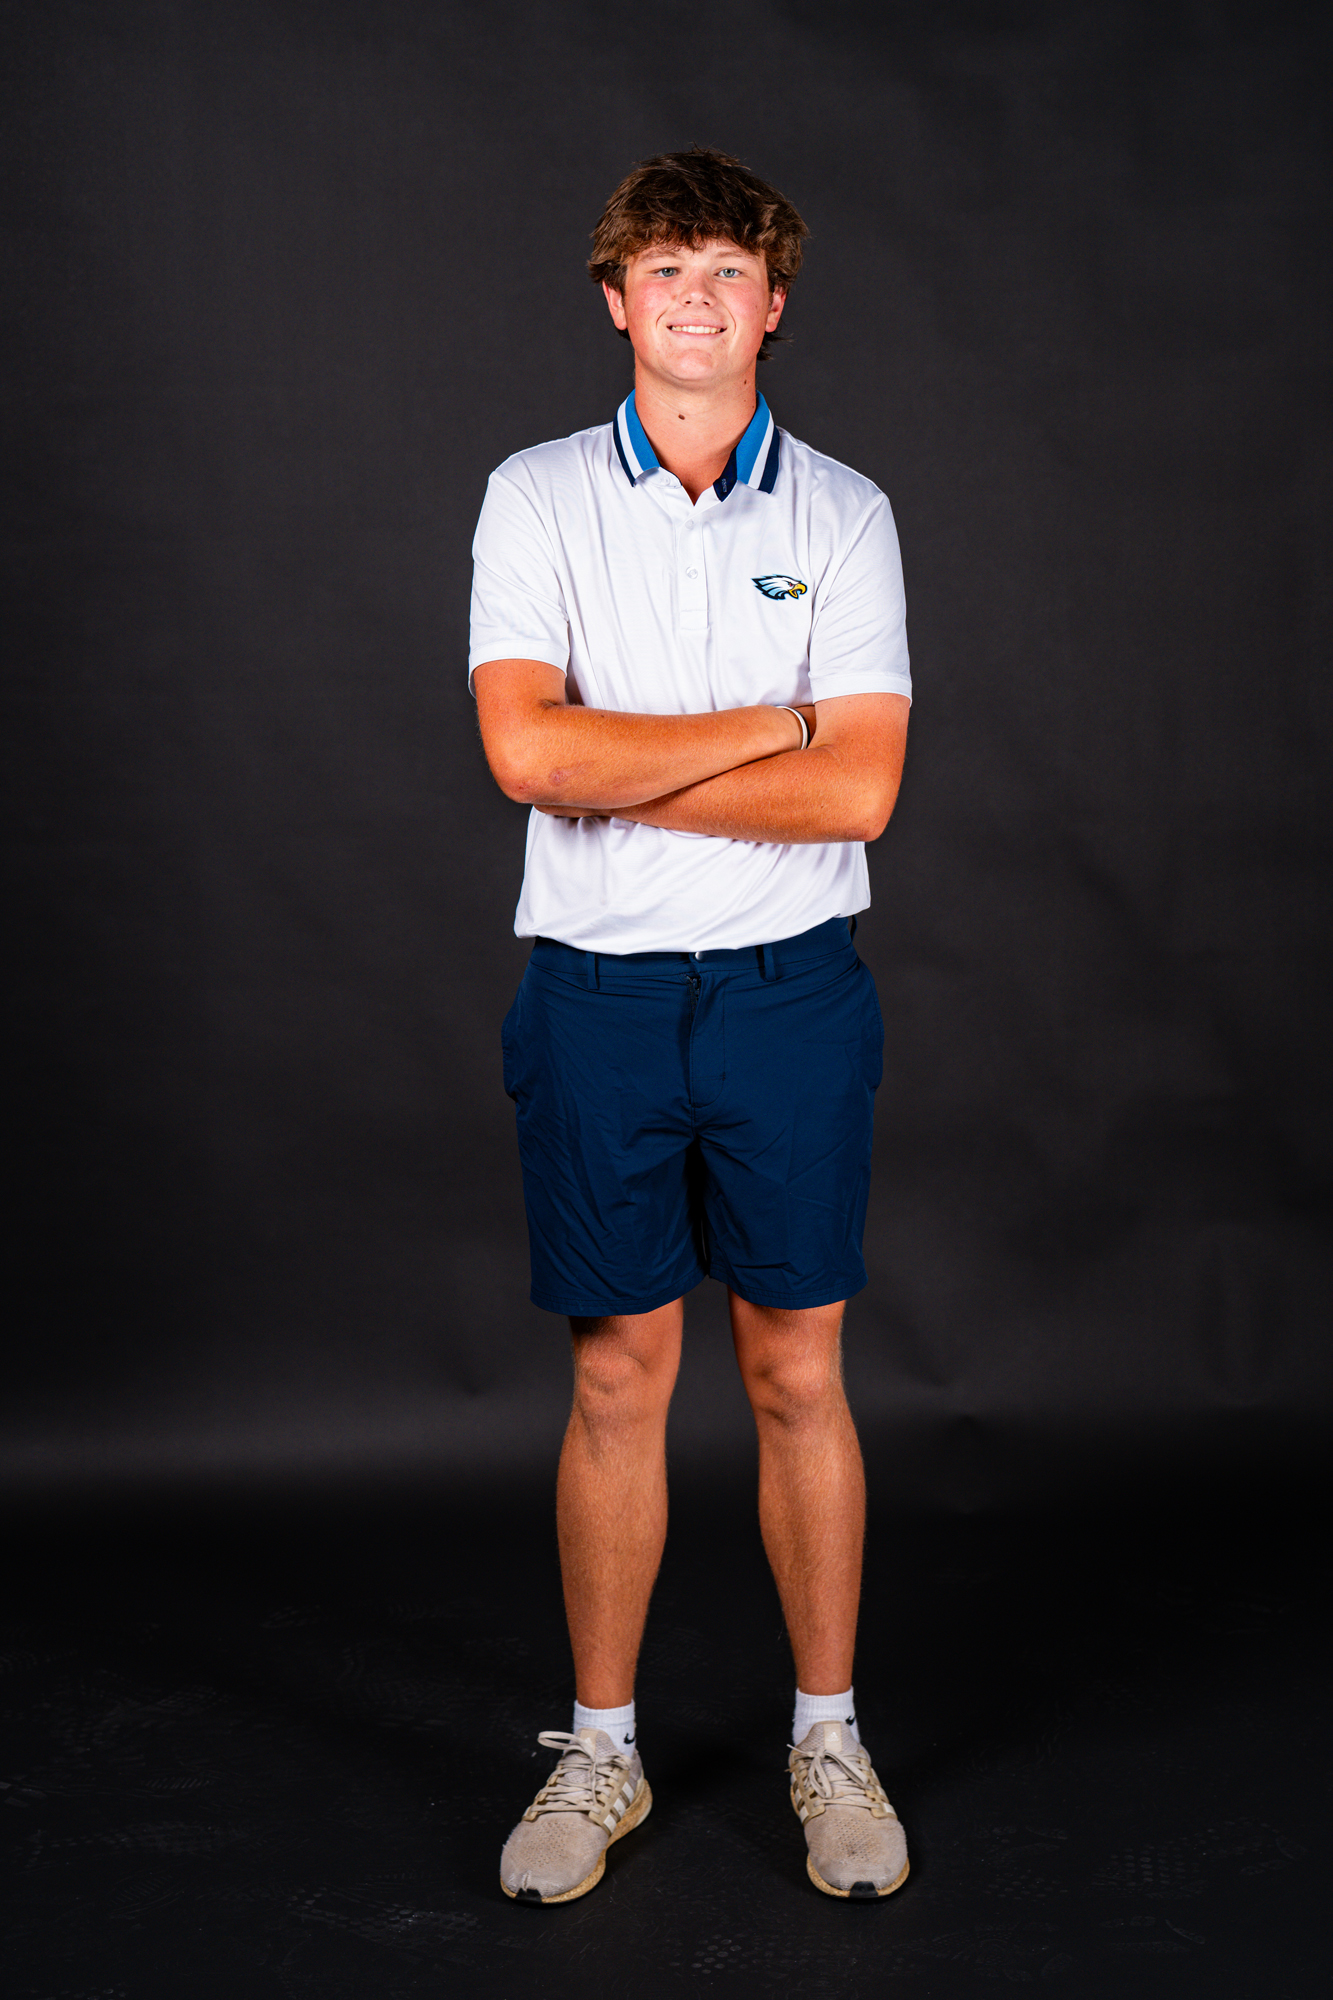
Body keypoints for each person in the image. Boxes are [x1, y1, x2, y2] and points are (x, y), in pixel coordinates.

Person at [469, 147, 912, 1906]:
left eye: (728, 271)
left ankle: (829, 1738)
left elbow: (861, 793)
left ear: (772, 305)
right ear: (615, 301)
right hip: (597, 995)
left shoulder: (845, 515)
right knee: (615, 1372)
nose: (696, 300)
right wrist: (770, 726)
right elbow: (525, 754)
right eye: (665, 271)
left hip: (790, 994)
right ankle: (603, 1749)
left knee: (798, 1369)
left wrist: (626, 759)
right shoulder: (534, 495)